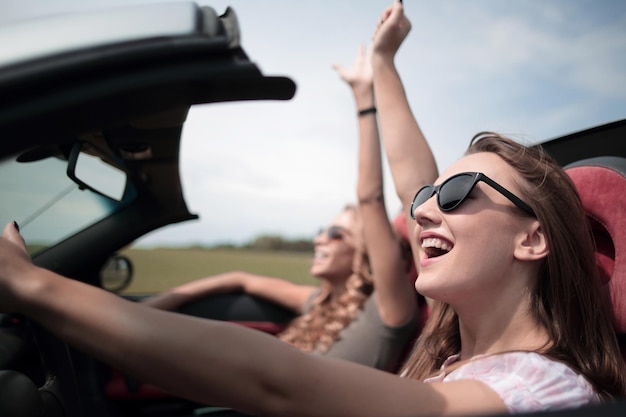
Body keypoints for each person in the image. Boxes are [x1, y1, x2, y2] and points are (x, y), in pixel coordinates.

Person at [1, 2, 625, 416]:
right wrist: (382, 66)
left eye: (457, 196)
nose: (427, 211)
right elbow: (411, 184)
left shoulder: (540, 387)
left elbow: (281, 382)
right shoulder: (455, 344)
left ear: (532, 240)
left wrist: (32, 286)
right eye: (430, 199)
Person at [140, 43, 428, 372]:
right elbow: (241, 279)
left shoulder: (388, 310)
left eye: (336, 234)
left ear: (366, 251)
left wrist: (364, 96)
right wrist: (162, 302)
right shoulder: (318, 304)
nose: (320, 239)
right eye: (323, 231)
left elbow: (370, 198)